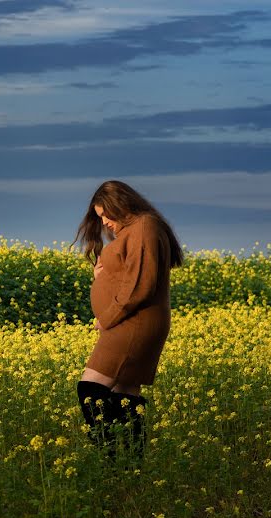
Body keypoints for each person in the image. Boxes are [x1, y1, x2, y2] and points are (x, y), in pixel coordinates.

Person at [72, 181, 183, 460]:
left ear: (120, 204)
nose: (105, 222)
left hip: (133, 323)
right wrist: (103, 278)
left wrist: (107, 318)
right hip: (130, 321)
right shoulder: (135, 231)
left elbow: (141, 285)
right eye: (99, 217)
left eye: (105, 214)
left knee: (90, 388)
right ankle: (130, 465)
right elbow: (128, 275)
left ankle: (109, 457)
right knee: (125, 394)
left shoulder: (144, 226)